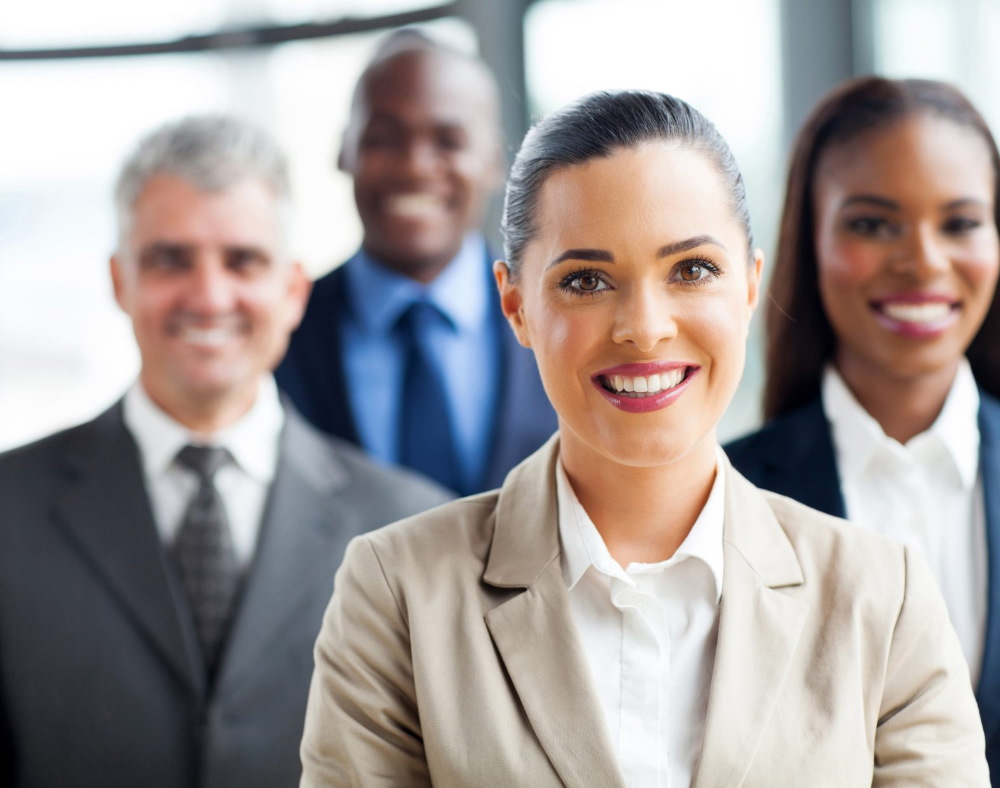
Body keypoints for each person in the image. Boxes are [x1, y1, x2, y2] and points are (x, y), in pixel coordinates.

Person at [299, 90, 989, 786]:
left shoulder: (882, 595)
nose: (645, 327)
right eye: (587, 280)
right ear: (516, 306)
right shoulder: (397, 591)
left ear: (749, 287)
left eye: (692, 270)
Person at [0, 115, 450, 788]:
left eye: (243, 261)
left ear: (294, 290)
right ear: (120, 281)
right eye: (170, 260)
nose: (209, 297)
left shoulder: (413, 526)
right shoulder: (9, 508)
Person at [724, 76, 1000, 779]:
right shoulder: (724, 499)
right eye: (873, 224)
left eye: (961, 223)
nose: (924, 262)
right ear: (808, 240)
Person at [276, 30, 556, 496]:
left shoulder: (563, 316)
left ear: (493, 160)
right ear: (344, 150)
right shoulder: (281, 333)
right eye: (384, 138)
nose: (414, 166)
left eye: (448, 141)